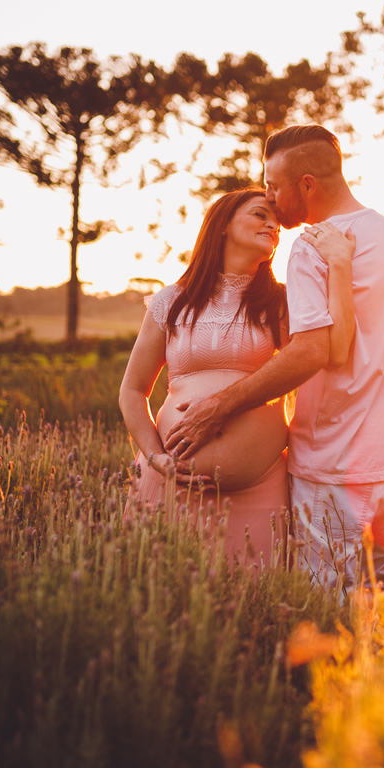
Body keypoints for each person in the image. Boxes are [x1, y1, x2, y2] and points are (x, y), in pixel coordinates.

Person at [164, 125, 384, 594]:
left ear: (307, 184)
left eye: (274, 185)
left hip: (334, 464)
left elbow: (312, 351)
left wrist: (219, 406)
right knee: (379, 605)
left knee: (324, 608)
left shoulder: (312, 247)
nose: (269, 196)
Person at [119, 187, 355, 569]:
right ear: (223, 224)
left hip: (257, 492)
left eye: (275, 222)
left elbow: (331, 350)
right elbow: (132, 390)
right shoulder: (171, 301)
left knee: (254, 597)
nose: (272, 225)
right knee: (153, 592)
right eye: (260, 214)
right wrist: (155, 456)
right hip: (167, 484)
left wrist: (340, 266)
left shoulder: (283, 302)